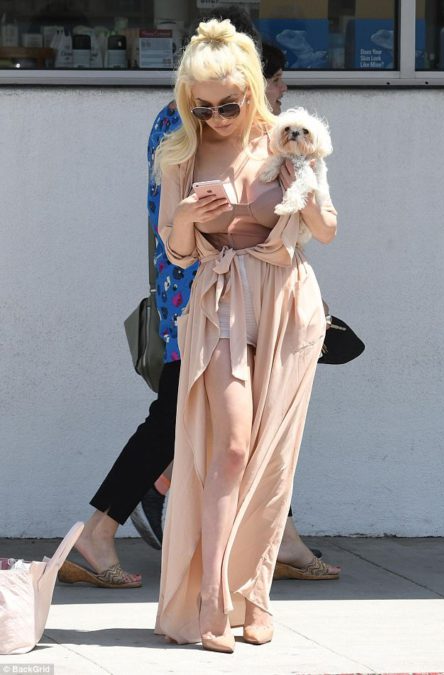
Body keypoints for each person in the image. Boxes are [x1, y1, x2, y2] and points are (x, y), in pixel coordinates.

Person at [57, 15, 338, 592]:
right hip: (198, 293)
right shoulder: (182, 127)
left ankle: (267, 540)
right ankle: (105, 528)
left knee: (234, 425)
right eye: (275, 79)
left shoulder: (261, 133)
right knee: (183, 419)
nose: (279, 92)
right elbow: (173, 224)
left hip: (228, 290)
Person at [153, 18, 337, 652]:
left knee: (273, 458)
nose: (216, 119)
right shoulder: (180, 152)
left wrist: (300, 190)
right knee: (231, 449)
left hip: (286, 303)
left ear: (252, 90)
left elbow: (327, 229)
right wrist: (186, 215)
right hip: (220, 304)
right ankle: (210, 598)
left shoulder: (287, 140)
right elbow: (178, 254)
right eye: (202, 108)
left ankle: (254, 596)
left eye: (227, 105)